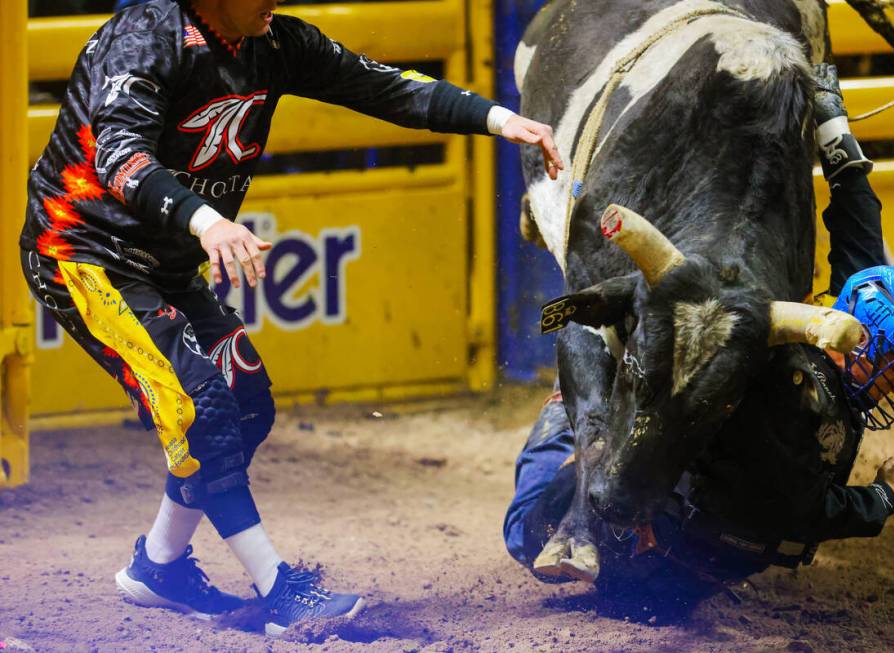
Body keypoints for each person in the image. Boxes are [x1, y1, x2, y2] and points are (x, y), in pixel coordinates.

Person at [19, 0, 563, 638]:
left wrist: (502, 120)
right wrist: (207, 221)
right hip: (83, 256)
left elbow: (381, 86)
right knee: (201, 410)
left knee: (246, 403)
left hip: (164, 263)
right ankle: (278, 589)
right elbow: (119, 156)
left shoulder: (274, 44)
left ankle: (160, 567)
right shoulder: (146, 40)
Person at [502, 64, 894, 596]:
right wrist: (886, 497)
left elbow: (858, 230)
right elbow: (803, 512)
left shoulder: (834, 335)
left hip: (691, 562)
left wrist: (833, 126)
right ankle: (563, 416)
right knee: (525, 526)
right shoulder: (790, 388)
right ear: (863, 347)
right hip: (654, 573)